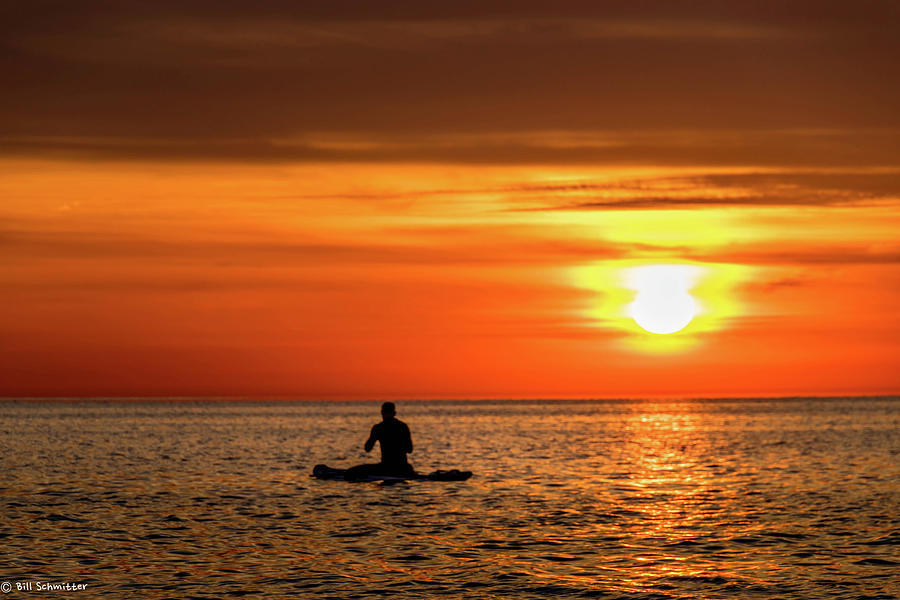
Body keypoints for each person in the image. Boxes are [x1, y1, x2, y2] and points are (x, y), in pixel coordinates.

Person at [345, 402, 415, 480]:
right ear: (395, 413)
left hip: (386, 467)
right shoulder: (403, 426)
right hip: (403, 467)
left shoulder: (378, 428)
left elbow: (367, 449)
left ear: (381, 413)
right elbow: (410, 450)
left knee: (350, 473)